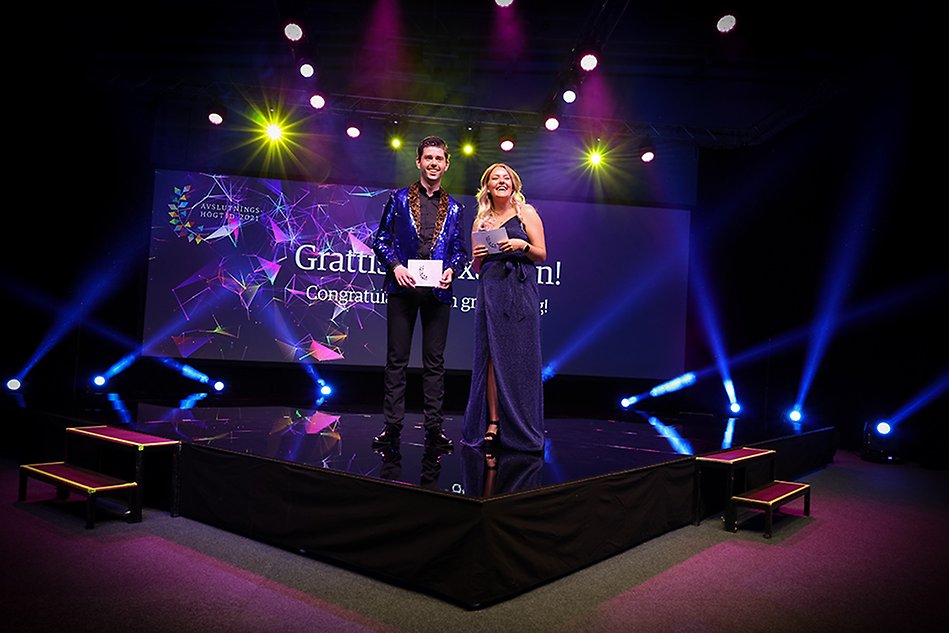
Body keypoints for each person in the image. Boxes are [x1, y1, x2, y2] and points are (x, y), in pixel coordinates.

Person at [371, 135, 469, 449]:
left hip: (437, 292)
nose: (433, 164)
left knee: (435, 363)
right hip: (403, 288)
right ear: (418, 162)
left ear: (446, 164)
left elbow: (459, 251)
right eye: (428, 158)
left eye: (439, 159)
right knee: (396, 360)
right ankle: (392, 428)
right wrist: (396, 266)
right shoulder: (398, 199)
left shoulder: (455, 208)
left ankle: (434, 429)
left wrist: (452, 269)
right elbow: (381, 240)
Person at [461, 163, 546, 454]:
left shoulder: (527, 214)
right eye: (495, 178)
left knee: (520, 357)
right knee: (491, 358)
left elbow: (542, 254)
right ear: (486, 186)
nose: (501, 181)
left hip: (520, 292)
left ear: (514, 184)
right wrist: (479, 255)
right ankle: (493, 424)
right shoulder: (481, 221)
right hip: (491, 292)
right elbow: (475, 267)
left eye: (505, 177)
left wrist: (521, 245)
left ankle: (520, 425)